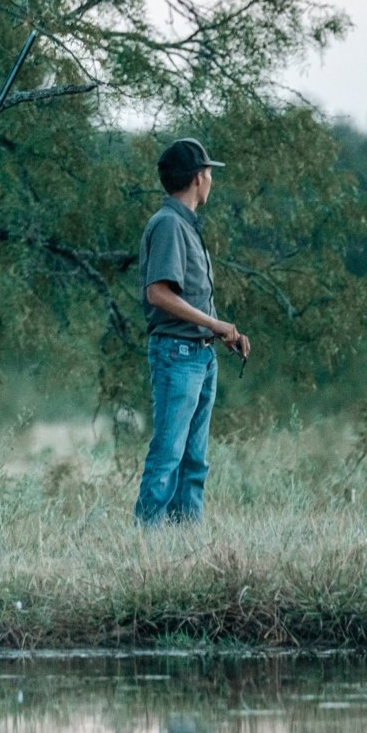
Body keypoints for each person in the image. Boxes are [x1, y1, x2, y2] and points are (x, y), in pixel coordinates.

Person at [134, 138, 250, 526]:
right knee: (168, 455)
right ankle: (146, 545)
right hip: (178, 356)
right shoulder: (168, 224)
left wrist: (221, 333)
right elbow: (159, 293)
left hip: (200, 355)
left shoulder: (183, 224)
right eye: (210, 172)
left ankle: (186, 544)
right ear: (199, 177)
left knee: (194, 461)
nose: (211, 179)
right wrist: (215, 324)